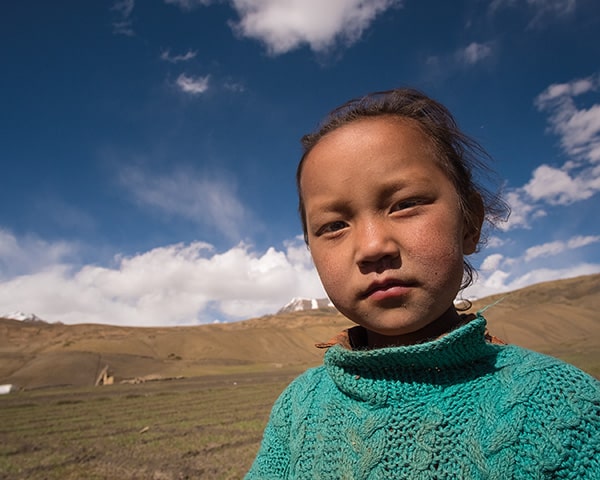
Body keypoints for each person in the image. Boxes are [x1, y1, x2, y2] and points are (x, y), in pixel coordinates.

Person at [245, 88, 600, 479]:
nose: (372, 246)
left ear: (469, 223)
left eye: (404, 204)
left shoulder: (565, 408)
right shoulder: (299, 407)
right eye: (333, 226)